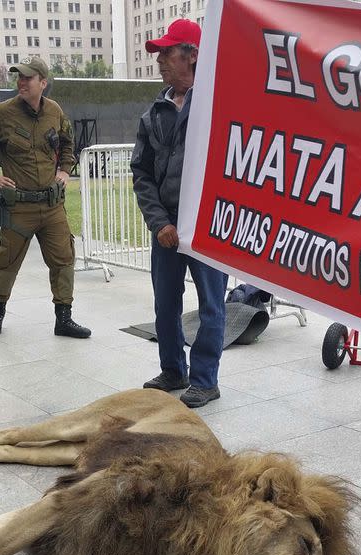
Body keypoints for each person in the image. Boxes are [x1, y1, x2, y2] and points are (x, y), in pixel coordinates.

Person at [131, 20, 229, 408]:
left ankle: (205, 380)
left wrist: (200, 222)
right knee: (164, 302)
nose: (159, 61)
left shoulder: (217, 104)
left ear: (192, 55)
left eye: (167, 53)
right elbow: (141, 172)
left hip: (208, 228)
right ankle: (174, 369)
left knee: (211, 305)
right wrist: (161, 223)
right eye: (157, 53)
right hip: (167, 228)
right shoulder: (153, 113)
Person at [0, 57, 90, 339]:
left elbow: (68, 142)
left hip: (51, 205)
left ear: (42, 83)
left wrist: (64, 170)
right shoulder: (2, 114)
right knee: (7, 263)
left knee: (63, 260)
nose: (21, 82)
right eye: (18, 78)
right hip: (18, 207)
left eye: (27, 78)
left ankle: (64, 318)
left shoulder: (55, 111)